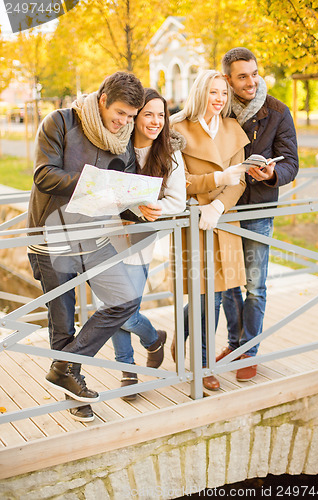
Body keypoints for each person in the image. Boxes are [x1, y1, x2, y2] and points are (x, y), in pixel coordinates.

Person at [27, 71, 149, 422]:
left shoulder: (122, 139)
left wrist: (137, 207)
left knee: (125, 299)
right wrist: (94, 185)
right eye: (120, 114)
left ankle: (63, 368)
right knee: (63, 323)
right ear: (102, 100)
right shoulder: (60, 122)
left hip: (94, 237)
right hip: (52, 238)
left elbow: (119, 191)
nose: (125, 123)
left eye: (130, 116)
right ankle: (75, 392)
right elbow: (44, 176)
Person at [216, 48, 299, 381]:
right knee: (227, 285)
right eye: (242, 76)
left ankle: (249, 351)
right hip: (223, 207)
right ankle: (234, 344)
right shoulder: (217, 107)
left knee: (256, 285)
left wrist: (273, 175)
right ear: (227, 79)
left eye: (254, 73)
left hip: (260, 206)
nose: (251, 81)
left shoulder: (278, 110)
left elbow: (291, 161)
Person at [171, 70, 250, 390]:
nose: (218, 99)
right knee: (207, 297)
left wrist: (218, 206)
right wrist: (216, 183)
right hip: (194, 222)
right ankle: (203, 367)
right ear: (200, 92)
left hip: (224, 220)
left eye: (223, 94)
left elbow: (240, 179)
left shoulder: (233, 128)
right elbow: (178, 181)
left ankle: (184, 334)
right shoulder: (177, 128)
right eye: (213, 92)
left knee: (220, 293)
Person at [111, 88, 187, 400]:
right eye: (148, 114)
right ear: (135, 116)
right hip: (108, 236)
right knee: (110, 306)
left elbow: (177, 201)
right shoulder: (116, 148)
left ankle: (153, 340)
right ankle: (128, 370)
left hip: (140, 238)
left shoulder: (170, 153)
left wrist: (151, 210)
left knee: (124, 311)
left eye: (161, 115)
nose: (155, 121)